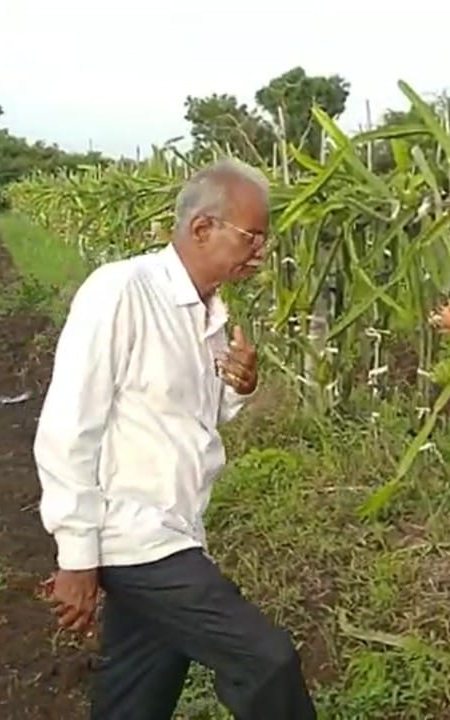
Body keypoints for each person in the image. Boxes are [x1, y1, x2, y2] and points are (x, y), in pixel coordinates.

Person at [33, 159, 316, 720]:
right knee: (266, 661)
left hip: (176, 530)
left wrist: (240, 386)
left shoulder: (209, 313)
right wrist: (77, 554)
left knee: (135, 697)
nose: (260, 250)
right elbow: (70, 422)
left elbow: (192, 416)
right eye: (251, 235)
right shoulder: (121, 291)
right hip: (136, 540)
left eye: (265, 236)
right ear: (202, 228)